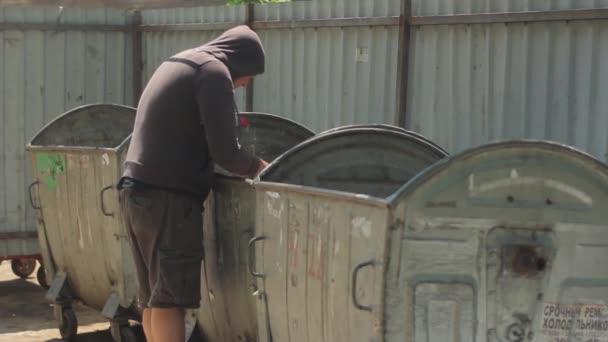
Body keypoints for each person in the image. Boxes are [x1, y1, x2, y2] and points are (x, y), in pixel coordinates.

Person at [118, 25, 269, 342]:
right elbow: (227, 154)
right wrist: (264, 169)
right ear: (239, 61)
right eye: (250, 74)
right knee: (172, 302)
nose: (246, 83)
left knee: (155, 299)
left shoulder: (182, 61)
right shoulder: (214, 72)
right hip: (168, 202)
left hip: (138, 193)